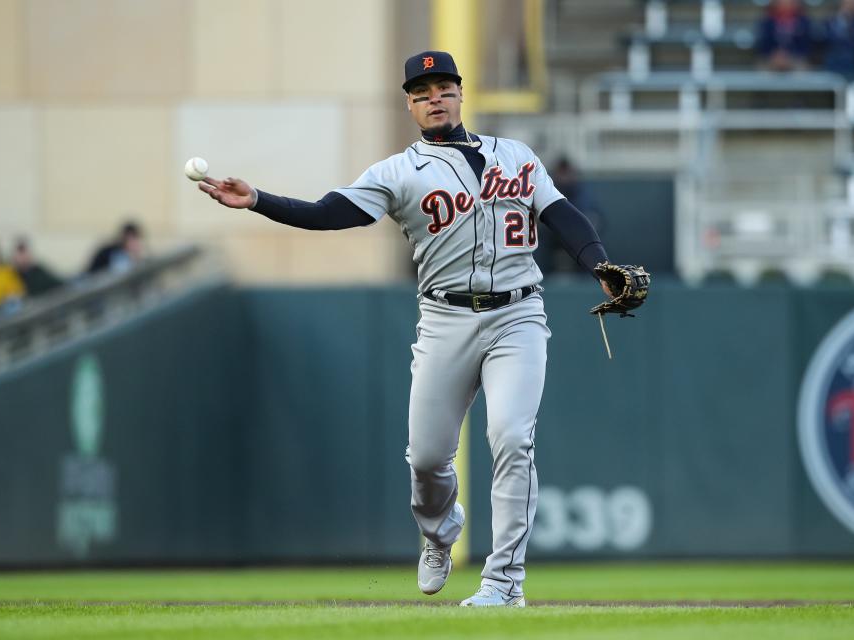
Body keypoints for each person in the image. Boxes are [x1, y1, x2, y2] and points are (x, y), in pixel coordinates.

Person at [196, 51, 619, 607]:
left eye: (442, 86)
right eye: (420, 92)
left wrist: (601, 265)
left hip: (518, 314)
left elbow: (562, 215)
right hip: (445, 319)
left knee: (513, 438)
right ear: (409, 106)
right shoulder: (398, 172)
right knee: (425, 459)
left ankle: (504, 583)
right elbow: (330, 212)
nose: (433, 98)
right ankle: (439, 534)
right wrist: (258, 201)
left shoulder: (515, 155)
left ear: (460, 93)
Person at [755, 0, 815, 71]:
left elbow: (806, 45)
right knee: (763, 73)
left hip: (797, 58)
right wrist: (774, 55)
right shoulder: (767, 21)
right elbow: (763, 44)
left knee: (801, 73)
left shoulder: (804, 22)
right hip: (771, 58)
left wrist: (790, 55)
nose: (785, 3)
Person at [821, 0, 854, 78]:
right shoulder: (829, 21)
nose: (851, 5)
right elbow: (826, 41)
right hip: (833, 61)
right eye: (848, 2)